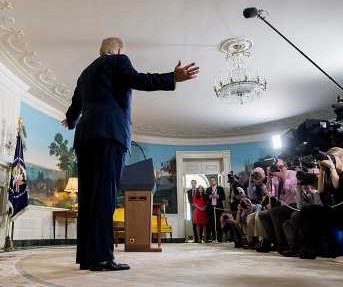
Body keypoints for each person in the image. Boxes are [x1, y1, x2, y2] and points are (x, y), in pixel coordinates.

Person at [63, 37, 199, 271]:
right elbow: (138, 79)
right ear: (118, 49)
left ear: (100, 50)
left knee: (88, 198)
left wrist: (71, 120)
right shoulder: (119, 61)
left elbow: (75, 107)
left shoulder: (84, 74)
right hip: (110, 133)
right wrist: (172, 77)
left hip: (85, 138)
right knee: (105, 195)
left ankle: (87, 257)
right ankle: (103, 258)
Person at [206, 177, 226, 242]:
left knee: (219, 223)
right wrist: (209, 197)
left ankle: (219, 238)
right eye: (211, 181)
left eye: (213, 181)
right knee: (212, 224)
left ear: (216, 181)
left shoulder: (220, 188)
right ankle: (214, 238)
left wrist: (218, 196)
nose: (212, 182)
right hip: (211, 208)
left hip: (218, 208)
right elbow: (205, 198)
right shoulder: (208, 189)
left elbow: (223, 197)